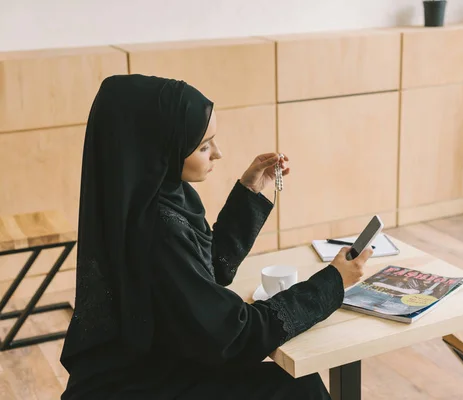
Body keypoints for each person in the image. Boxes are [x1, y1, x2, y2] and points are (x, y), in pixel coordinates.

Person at [59, 74, 373, 400]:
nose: (218, 153)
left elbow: (208, 269)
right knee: (298, 389)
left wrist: (250, 190)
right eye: (203, 146)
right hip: (140, 384)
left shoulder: (155, 196)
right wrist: (332, 283)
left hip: (157, 362)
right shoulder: (158, 228)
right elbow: (236, 334)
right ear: (161, 146)